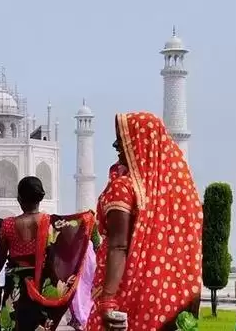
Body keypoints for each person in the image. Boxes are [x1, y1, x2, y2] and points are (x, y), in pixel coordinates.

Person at [86, 112, 202, 331]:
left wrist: (108, 299)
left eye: (122, 141)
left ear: (139, 142)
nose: (117, 147)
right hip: (169, 296)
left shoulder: (124, 187)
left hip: (130, 290)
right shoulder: (177, 192)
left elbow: (119, 246)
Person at [0, 176, 95, 330]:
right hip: (43, 283)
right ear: (41, 198)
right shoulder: (52, 223)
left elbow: (0, 256)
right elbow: (69, 244)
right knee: (39, 324)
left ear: (19, 198)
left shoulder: (8, 224)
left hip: (16, 283)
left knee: (14, 322)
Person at [68, 216, 99, 330]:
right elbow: (93, 264)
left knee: (79, 304)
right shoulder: (88, 243)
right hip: (84, 280)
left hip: (81, 280)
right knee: (82, 305)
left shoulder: (80, 244)